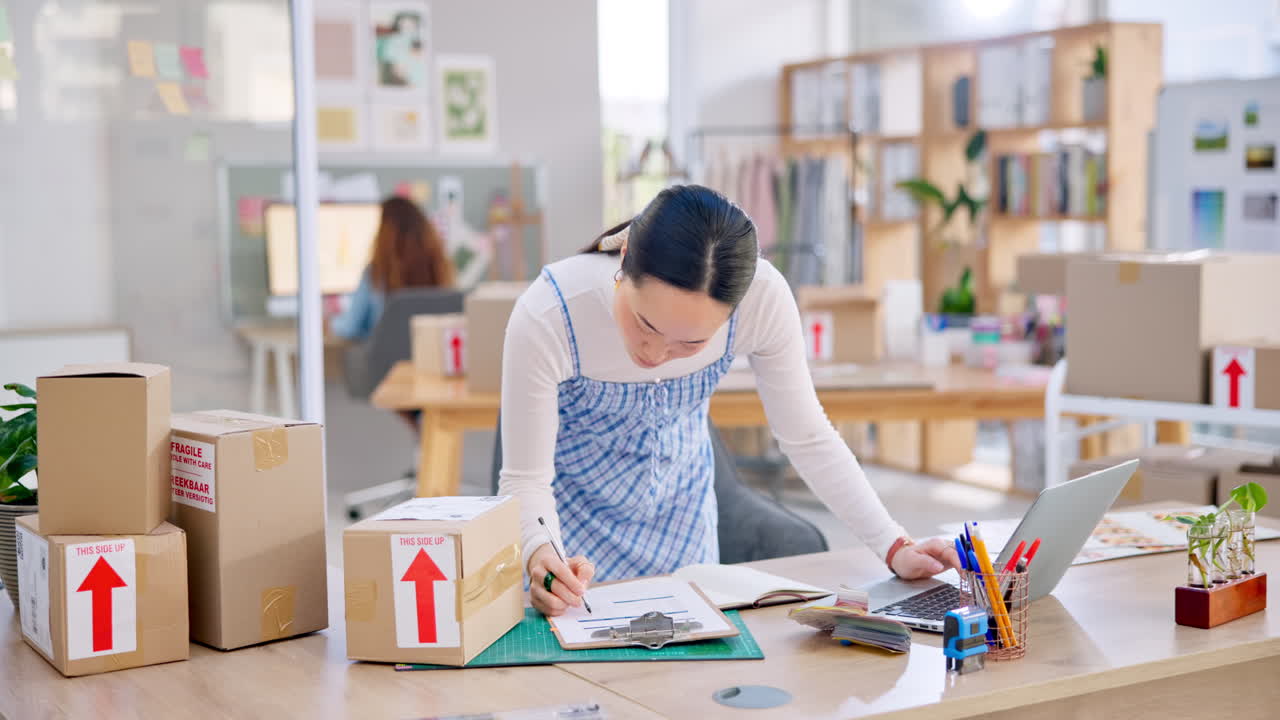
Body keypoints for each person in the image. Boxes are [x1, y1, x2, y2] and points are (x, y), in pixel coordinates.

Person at [498, 185, 959, 617]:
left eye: (690, 343)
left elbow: (808, 437)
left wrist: (894, 546)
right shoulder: (551, 314)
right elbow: (525, 480)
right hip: (573, 546)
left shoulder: (762, 299)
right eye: (645, 324)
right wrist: (543, 556)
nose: (655, 354)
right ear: (624, 258)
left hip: (686, 541)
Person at [330, 195, 455, 342]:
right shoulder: (439, 268)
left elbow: (348, 328)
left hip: (384, 357)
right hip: (430, 354)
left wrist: (328, 321)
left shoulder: (375, 274)